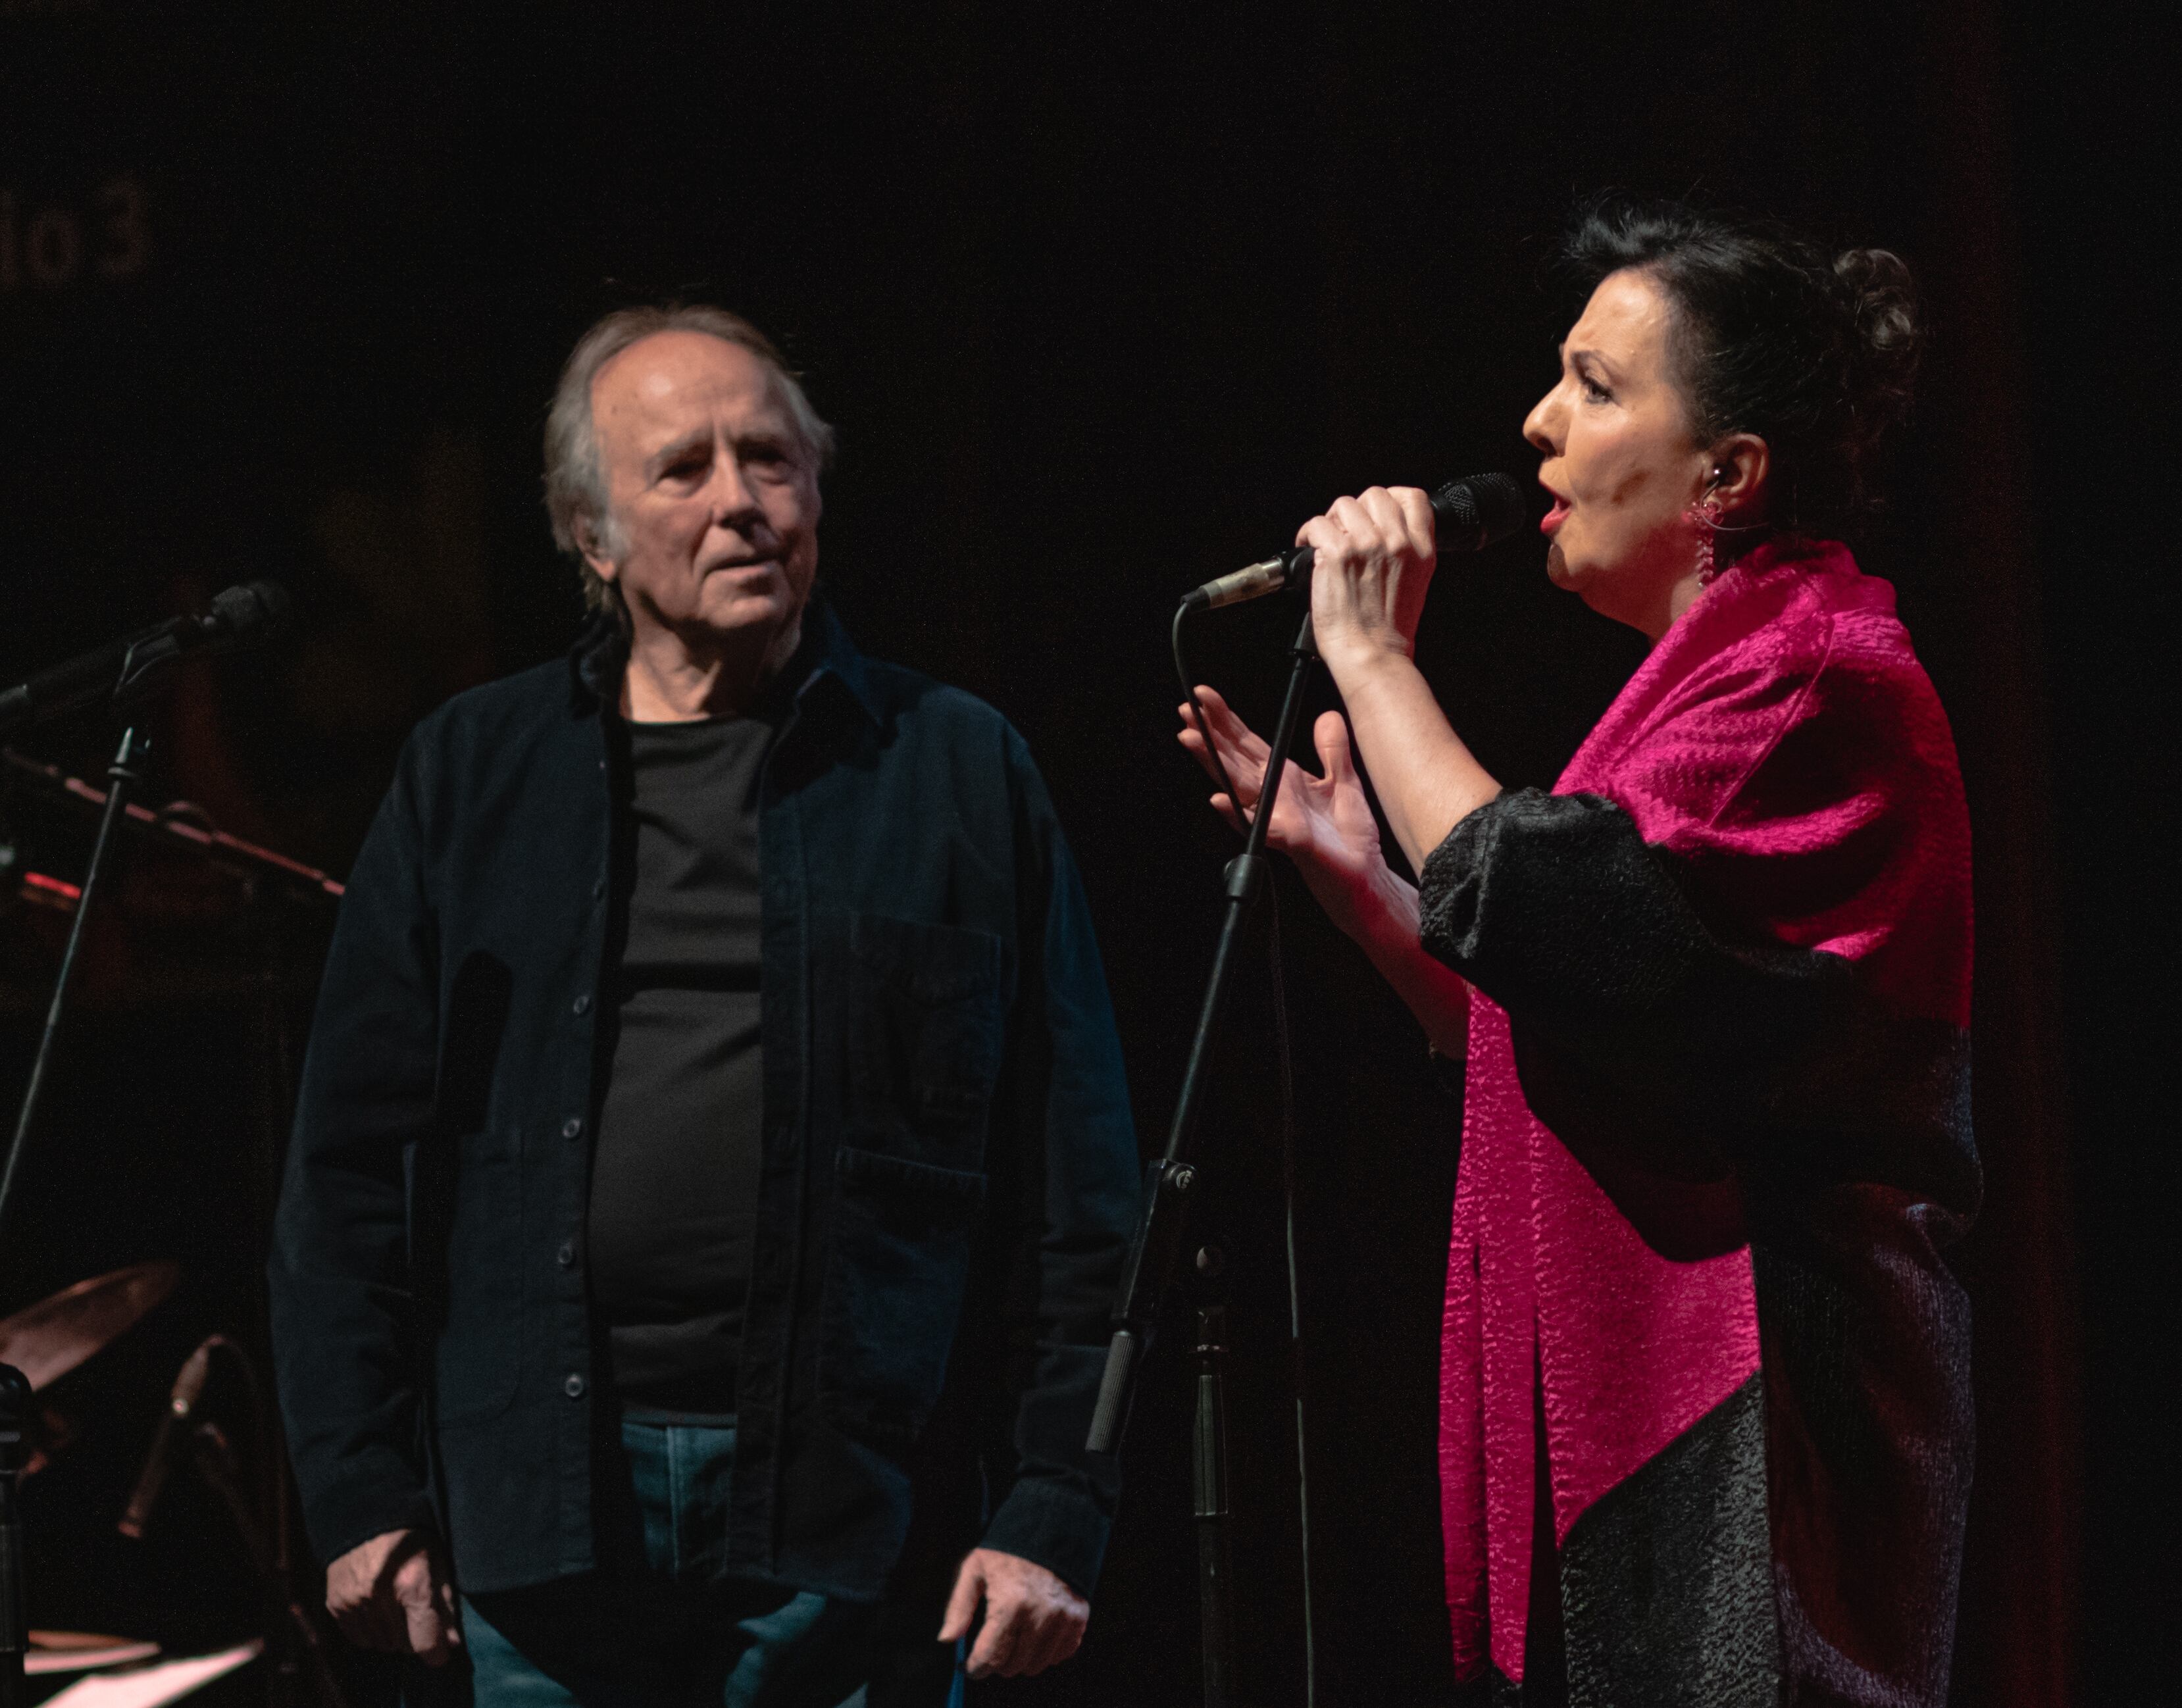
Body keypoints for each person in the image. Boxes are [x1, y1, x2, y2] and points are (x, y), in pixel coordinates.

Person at [270, 305, 1140, 1707]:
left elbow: (1082, 1183)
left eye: (773, 461)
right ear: (589, 533)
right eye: (684, 468)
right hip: (540, 1516)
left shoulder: (956, 772)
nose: (741, 500)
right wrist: (358, 1483)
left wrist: (1055, 1498)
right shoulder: (472, 780)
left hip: (857, 1522)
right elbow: (347, 1171)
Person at [1182, 199, 1977, 1707]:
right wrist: (1370, 882)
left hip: (1765, 1425)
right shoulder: (1703, 692)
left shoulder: (1818, 675)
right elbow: (1593, 1015)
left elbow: (1544, 903)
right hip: (1658, 1418)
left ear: (1727, 475)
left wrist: (1373, 655)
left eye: (1599, 387)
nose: (1540, 426)